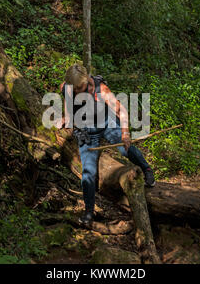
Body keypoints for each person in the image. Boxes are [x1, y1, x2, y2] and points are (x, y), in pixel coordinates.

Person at [57, 63, 155, 225]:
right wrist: (66, 119)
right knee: (88, 171)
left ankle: (147, 169)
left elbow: (121, 110)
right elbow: (69, 106)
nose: (75, 91)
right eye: (72, 89)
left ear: (86, 81)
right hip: (86, 130)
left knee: (125, 150)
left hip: (107, 123)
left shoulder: (101, 90)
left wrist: (125, 132)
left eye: (78, 88)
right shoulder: (67, 88)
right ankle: (89, 210)